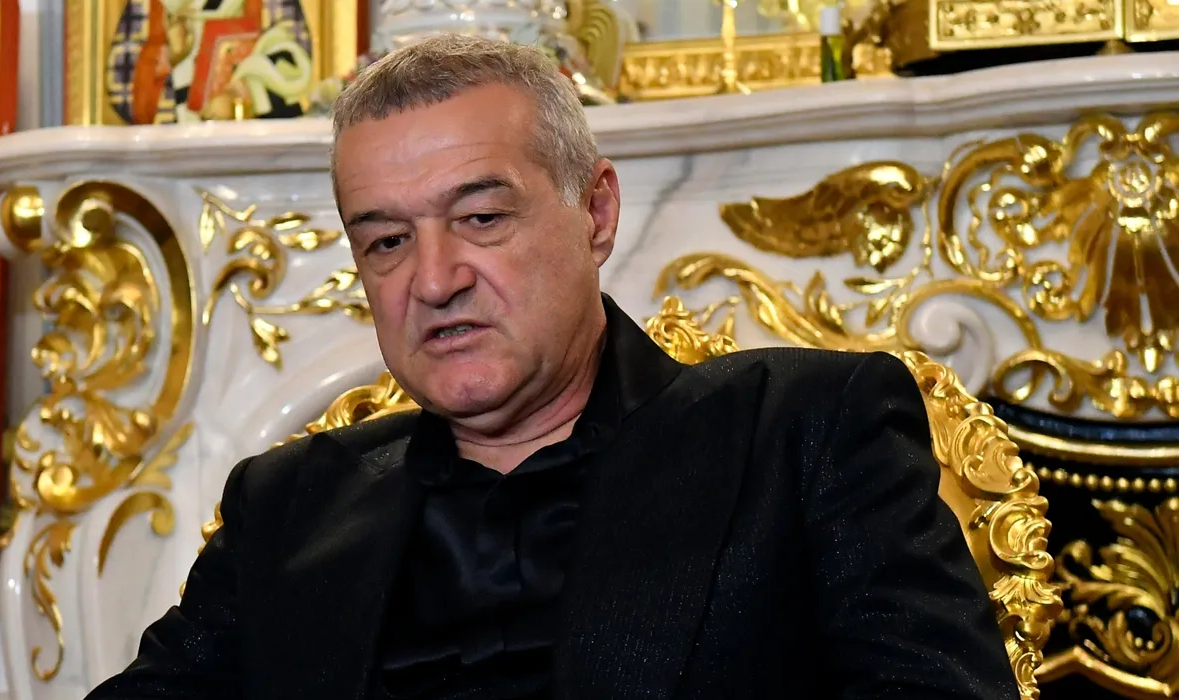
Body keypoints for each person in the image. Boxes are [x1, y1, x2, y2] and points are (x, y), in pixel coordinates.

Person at [87, 33, 1018, 699]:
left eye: (482, 218)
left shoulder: (806, 431)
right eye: (386, 241)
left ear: (596, 214)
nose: (434, 280)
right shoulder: (285, 504)